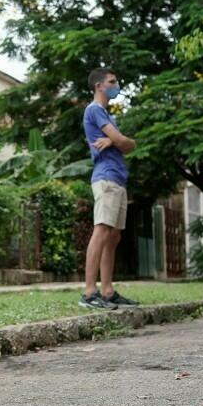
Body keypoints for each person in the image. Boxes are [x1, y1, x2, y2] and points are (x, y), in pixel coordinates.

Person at [79, 67, 138, 310]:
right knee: (102, 231)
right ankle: (89, 292)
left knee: (113, 236)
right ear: (98, 86)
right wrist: (118, 140)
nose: (116, 86)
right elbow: (125, 142)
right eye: (112, 82)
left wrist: (115, 139)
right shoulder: (94, 110)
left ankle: (107, 291)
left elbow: (130, 144)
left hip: (118, 178)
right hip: (106, 178)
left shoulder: (106, 114)